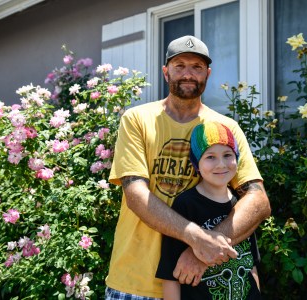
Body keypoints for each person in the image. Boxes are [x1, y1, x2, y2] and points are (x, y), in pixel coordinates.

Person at [105, 35, 270, 299]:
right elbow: (136, 195)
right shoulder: (137, 120)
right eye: (179, 65)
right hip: (134, 281)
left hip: (201, 286)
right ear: (165, 71)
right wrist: (197, 239)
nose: (188, 74)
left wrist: (203, 251)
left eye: (197, 67)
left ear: (208, 73)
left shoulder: (226, 128)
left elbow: (258, 200)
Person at [156, 121, 262, 299]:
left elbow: (251, 264)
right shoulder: (186, 205)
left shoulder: (243, 204)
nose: (221, 164)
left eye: (228, 155)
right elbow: (170, 275)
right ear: (196, 164)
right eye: (210, 157)